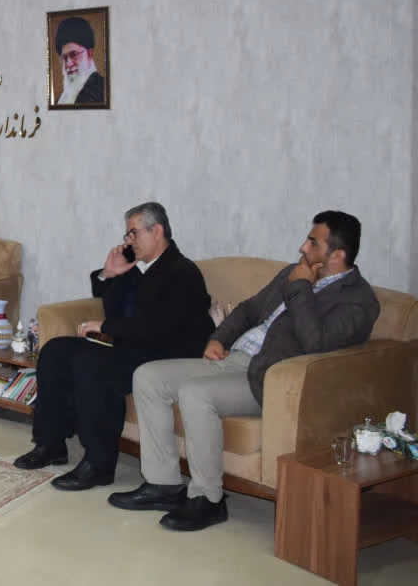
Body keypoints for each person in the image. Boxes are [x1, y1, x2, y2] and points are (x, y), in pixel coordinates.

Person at [109, 211, 379, 531]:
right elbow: (250, 309)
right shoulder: (292, 273)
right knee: (148, 376)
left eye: (312, 242)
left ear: (337, 256)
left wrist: (301, 288)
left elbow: (315, 342)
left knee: (196, 394)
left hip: (269, 376)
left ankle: (208, 499)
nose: (302, 248)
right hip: (234, 358)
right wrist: (218, 338)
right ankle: (163, 485)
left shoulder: (358, 301)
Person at [13, 202, 213, 490]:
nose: (129, 241)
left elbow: (158, 326)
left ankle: (99, 463)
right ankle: (51, 443)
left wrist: (105, 328)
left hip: (168, 355)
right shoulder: (143, 269)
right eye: (127, 235)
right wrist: (110, 274)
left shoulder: (182, 272)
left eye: (134, 234)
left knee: (93, 363)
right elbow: (115, 307)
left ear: (157, 231)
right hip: (136, 346)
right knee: (56, 351)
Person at [53, 16, 105, 105]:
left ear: (89, 54)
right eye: (64, 58)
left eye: (74, 54)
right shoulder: (60, 100)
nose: (69, 64)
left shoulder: (102, 90)